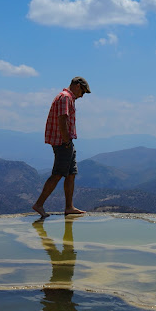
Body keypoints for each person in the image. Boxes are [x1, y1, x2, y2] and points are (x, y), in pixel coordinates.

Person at [32, 77, 90, 217]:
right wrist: (66, 141)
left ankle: (69, 207)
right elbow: (62, 119)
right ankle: (39, 204)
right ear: (77, 86)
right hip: (62, 142)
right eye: (82, 92)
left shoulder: (66, 97)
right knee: (58, 173)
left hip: (66, 141)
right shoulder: (65, 98)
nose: (82, 96)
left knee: (71, 174)